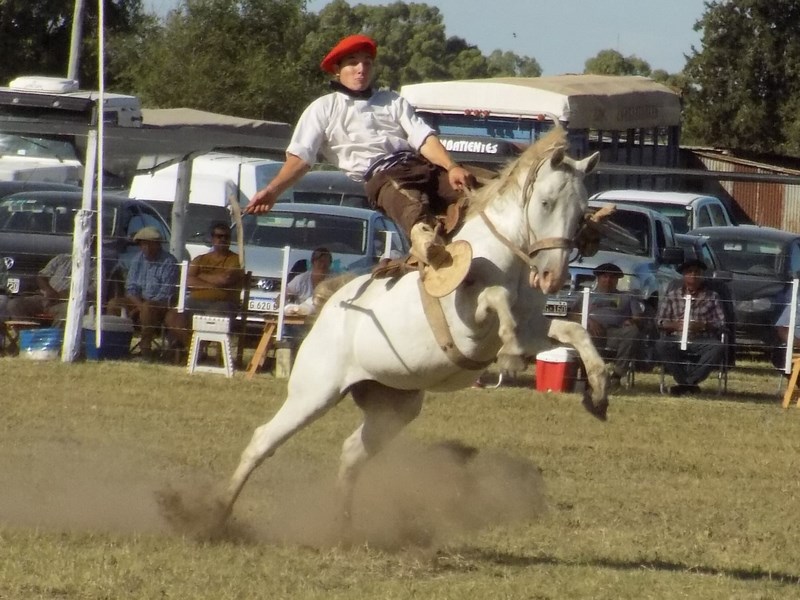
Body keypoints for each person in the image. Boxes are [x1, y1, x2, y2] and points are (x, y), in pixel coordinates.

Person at [244, 34, 475, 288]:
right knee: (413, 211)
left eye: (367, 62)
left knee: (479, 188)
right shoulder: (324, 108)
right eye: (353, 62)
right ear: (337, 69)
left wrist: (452, 166)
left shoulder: (392, 101)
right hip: (382, 176)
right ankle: (431, 252)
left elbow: (423, 138)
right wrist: (272, 191)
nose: (361, 68)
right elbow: (300, 158)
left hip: (421, 165)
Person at [166, 221, 245, 349]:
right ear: (212, 238)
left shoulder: (236, 260)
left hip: (223, 304)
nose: (223, 239)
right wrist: (213, 284)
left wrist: (200, 277)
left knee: (212, 320)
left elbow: (225, 279)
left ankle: (194, 352)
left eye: (227, 236)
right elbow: (187, 280)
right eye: (219, 236)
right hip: (194, 302)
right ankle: (193, 350)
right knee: (173, 316)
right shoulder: (200, 259)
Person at [655, 259, 726, 396]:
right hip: (676, 336)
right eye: (689, 272)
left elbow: (721, 323)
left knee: (718, 347)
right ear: (683, 275)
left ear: (702, 275)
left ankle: (685, 383)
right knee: (661, 344)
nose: (693, 275)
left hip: (701, 338)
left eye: (697, 272)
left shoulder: (712, 297)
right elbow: (659, 321)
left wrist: (704, 325)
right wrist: (674, 325)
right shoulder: (672, 296)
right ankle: (688, 384)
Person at [106, 226, 179, 361]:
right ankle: (116, 346)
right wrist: (138, 305)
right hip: (138, 301)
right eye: (142, 244)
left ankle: (145, 351)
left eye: (148, 243)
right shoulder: (137, 259)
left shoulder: (169, 262)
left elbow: (165, 293)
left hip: (160, 305)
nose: (145, 247)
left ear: (157, 244)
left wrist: (142, 307)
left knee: (148, 308)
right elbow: (131, 287)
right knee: (114, 304)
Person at [584, 262, 642, 389]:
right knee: (583, 333)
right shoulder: (587, 295)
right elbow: (573, 315)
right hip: (592, 333)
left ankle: (617, 375)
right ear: (598, 278)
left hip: (616, 333)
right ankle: (591, 375)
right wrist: (589, 321)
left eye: (612, 277)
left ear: (617, 280)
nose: (608, 280)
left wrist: (632, 321)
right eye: (604, 276)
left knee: (632, 331)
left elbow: (638, 317)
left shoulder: (627, 297)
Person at [7, 253, 96, 324]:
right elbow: (41, 276)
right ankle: (29, 337)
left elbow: (92, 291)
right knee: (15, 305)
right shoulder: (62, 258)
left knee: (69, 312)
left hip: (68, 302)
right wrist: (48, 290)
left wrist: (60, 296)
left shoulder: (96, 268)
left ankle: (53, 341)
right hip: (45, 297)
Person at [285, 246, 332, 311]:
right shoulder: (301, 279)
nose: (323, 265)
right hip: (302, 317)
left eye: (326, 261)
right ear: (313, 262)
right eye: (320, 261)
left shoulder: (334, 280)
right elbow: (285, 294)